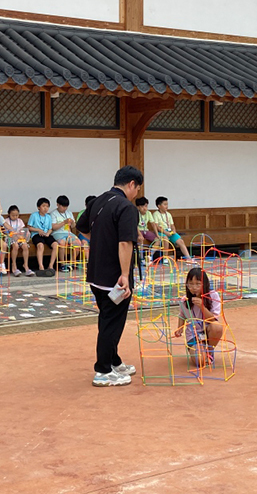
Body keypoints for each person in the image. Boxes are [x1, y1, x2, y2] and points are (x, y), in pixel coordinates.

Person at [77, 165, 143, 387]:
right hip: (114, 277)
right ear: (131, 184)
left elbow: (81, 227)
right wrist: (124, 274)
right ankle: (103, 370)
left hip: (96, 273)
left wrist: (99, 243)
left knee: (108, 319)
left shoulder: (98, 201)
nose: (136, 195)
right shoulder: (126, 207)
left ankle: (113, 360)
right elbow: (125, 242)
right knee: (111, 322)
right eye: (137, 189)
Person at [174, 267, 223, 368]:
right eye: (190, 284)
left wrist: (202, 307)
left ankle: (209, 351)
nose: (194, 287)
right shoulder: (184, 300)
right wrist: (179, 329)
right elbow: (182, 315)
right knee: (200, 362)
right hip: (193, 334)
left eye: (197, 284)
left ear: (204, 284)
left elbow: (213, 319)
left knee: (217, 327)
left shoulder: (213, 295)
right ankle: (199, 350)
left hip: (208, 330)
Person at [28, 198, 58, 277]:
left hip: (46, 234)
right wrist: (38, 230)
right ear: (38, 207)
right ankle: (41, 266)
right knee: (40, 245)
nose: (45, 208)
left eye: (47, 206)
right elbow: (29, 227)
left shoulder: (48, 217)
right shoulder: (34, 215)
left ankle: (51, 265)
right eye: (43, 206)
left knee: (55, 245)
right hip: (36, 234)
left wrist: (48, 233)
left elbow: (50, 228)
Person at [50, 195, 81, 272]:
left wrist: (72, 222)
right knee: (62, 243)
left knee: (78, 242)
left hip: (68, 233)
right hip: (57, 233)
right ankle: (62, 264)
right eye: (63, 206)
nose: (65, 208)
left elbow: (74, 226)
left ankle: (71, 262)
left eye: (66, 207)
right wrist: (64, 222)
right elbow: (53, 227)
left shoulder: (69, 213)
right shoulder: (53, 214)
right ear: (58, 205)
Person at [4, 205, 32, 277]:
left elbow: (22, 230)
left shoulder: (20, 221)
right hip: (9, 237)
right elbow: (5, 232)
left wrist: (21, 234)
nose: (15, 217)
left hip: (19, 237)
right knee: (15, 246)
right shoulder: (6, 221)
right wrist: (13, 235)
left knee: (25, 246)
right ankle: (14, 265)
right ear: (9, 214)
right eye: (13, 215)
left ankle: (26, 265)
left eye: (17, 215)